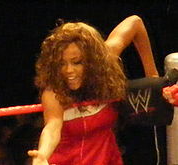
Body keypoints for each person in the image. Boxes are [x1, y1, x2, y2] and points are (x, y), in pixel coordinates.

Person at [27, 15, 159, 165]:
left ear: (92, 61)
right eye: (62, 63)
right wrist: (42, 155)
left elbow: (135, 22)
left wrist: (152, 76)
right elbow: (52, 126)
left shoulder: (105, 63)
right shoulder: (54, 89)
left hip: (106, 159)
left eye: (77, 62)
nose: (68, 70)